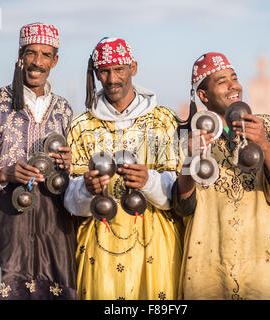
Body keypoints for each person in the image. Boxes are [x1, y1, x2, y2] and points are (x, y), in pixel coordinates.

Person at [0, 23, 78, 300]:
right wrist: (4, 174)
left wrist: (72, 165)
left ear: (55, 60)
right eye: (31, 53)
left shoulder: (65, 110)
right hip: (1, 230)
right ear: (19, 55)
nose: (37, 62)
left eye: (45, 55)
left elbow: (75, 182)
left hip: (54, 232)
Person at [173, 52, 270, 300]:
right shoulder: (188, 137)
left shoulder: (266, 126)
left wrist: (264, 145)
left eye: (234, 78)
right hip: (207, 263)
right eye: (222, 81)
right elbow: (182, 207)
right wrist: (192, 158)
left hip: (262, 261)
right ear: (203, 96)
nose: (234, 86)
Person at [64, 37, 183, 300]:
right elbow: (71, 202)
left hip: (154, 245)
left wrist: (149, 180)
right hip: (99, 248)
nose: (112, 78)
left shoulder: (165, 120)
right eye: (104, 71)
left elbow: (179, 194)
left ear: (134, 68)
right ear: (96, 73)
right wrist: (85, 189)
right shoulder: (81, 126)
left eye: (119, 69)